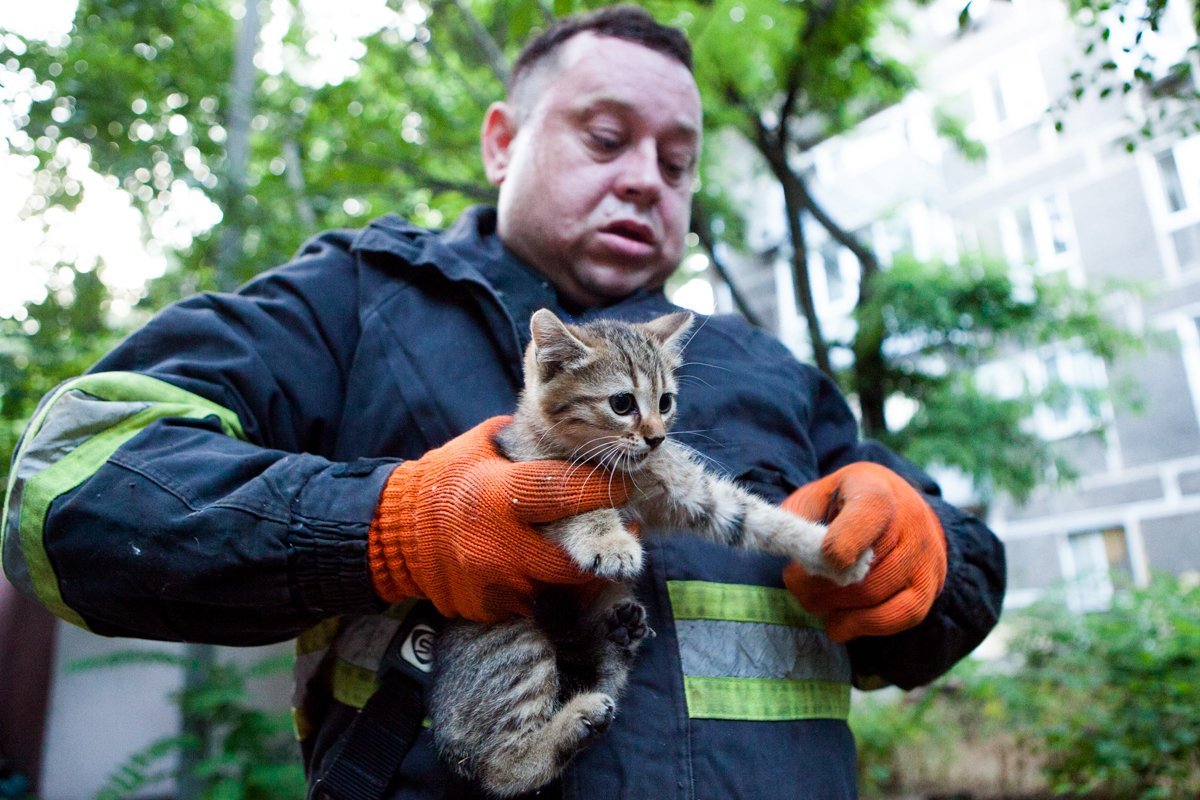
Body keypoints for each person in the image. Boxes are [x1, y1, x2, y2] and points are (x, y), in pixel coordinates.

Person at [2, 6, 1005, 799]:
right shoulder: (358, 303)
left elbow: (961, 583)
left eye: (678, 161)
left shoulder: (764, 367)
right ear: (501, 141)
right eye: (606, 136)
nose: (645, 180)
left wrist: (930, 554)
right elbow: (75, 484)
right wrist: (394, 527)